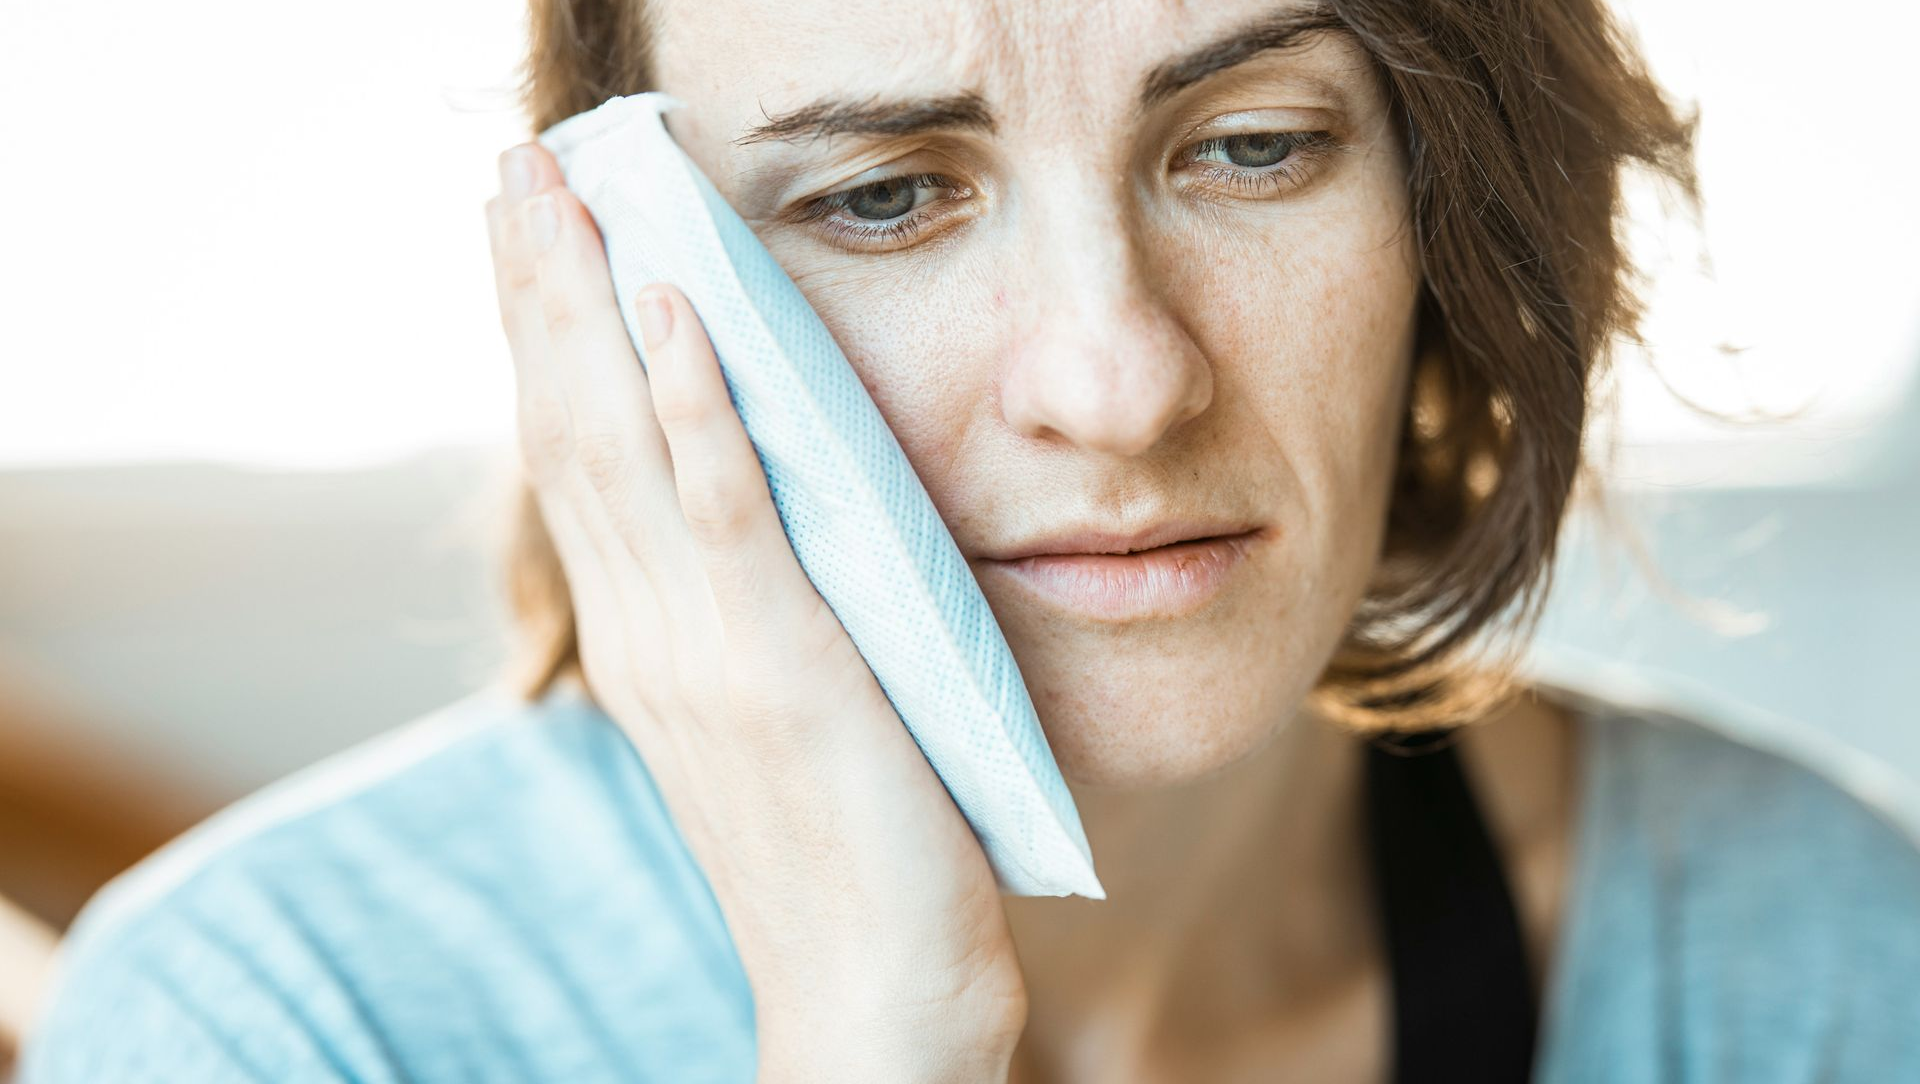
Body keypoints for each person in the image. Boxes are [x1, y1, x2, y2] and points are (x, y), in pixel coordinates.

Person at [18, 0, 1920, 1080]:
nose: (1118, 381)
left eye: (1254, 147)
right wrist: (878, 1038)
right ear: (621, 281)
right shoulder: (268, 1027)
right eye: (883, 193)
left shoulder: (1818, 955)